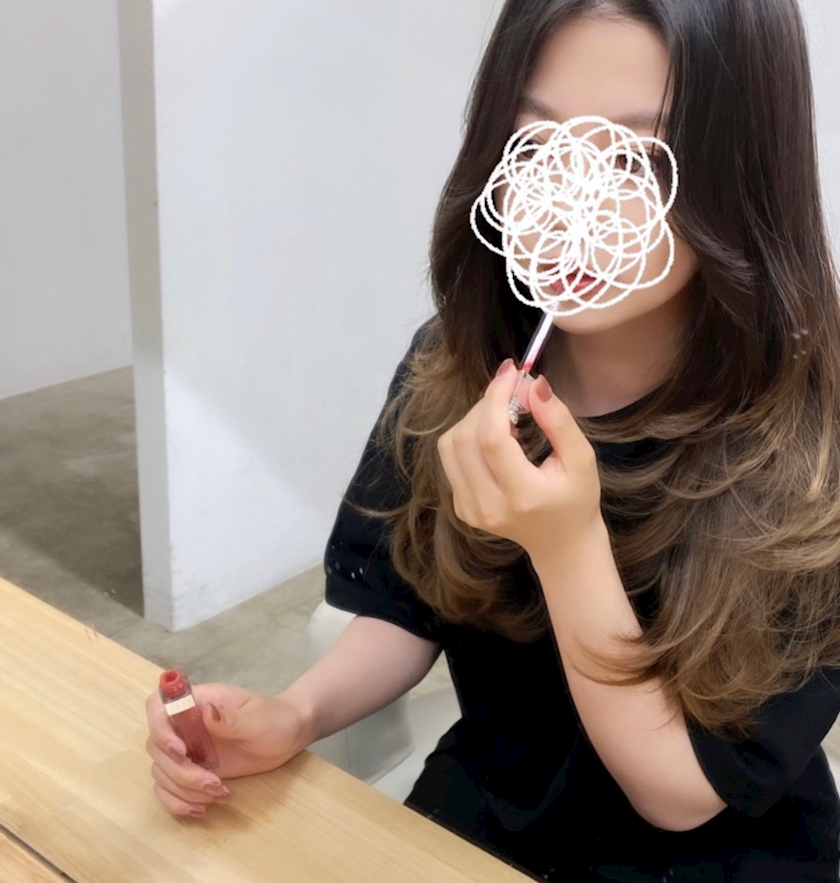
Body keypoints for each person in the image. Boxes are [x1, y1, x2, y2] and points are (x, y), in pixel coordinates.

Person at [145, 0, 840, 879]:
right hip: (489, 816)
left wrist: (566, 546)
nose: (568, 206)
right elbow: (410, 600)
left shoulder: (813, 446)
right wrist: (296, 713)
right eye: (537, 145)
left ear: (745, 171)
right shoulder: (455, 365)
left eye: (634, 159)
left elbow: (681, 794)